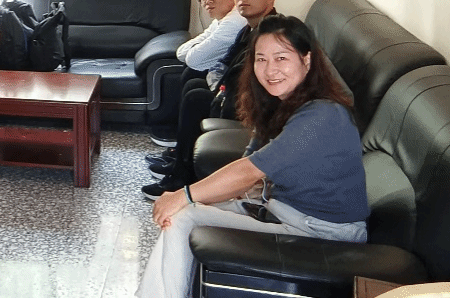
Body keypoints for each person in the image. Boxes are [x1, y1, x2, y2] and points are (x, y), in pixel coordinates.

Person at [136, 15, 368, 298]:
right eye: (261, 59)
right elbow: (251, 160)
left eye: (281, 58)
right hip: (280, 210)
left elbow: (250, 170)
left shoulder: (323, 115)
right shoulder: (280, 103)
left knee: (184, 216)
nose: (270, 70)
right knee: (183, 214)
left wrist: (183, 195)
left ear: (306, 60)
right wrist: (207, 196)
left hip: (321, 232)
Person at [143, 0, 279, 198]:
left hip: (254, 108)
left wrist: (220, 97)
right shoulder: (251, 27)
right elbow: (230, 67)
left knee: (196, 96)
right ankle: (181, 162)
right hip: (238, 95)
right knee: (194, 86)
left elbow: (250, 82)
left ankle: (182, 176)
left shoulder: (270, 33)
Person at [145, 0, 246, 164]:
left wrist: (191, 53)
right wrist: (191, 52)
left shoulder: (234, 21)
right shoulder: (222, 20)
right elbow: (183, 51)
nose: (208, 1)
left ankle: (182, 157)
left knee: (193, 82)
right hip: (223, 79)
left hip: (233, 91)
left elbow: (193, 59)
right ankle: (181, 148)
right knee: (191, 77)